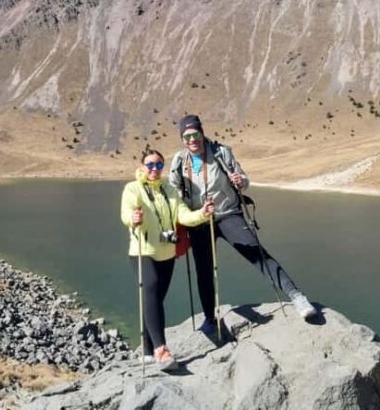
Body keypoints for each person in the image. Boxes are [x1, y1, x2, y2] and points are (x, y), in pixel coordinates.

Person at [169, 114, 317, 333]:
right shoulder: (180, 161)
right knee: (204, 271)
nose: (193, 140)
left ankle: (297, 297)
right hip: (199, 220)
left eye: (196, 134)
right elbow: (173, 191)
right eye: (187, 136)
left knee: (257, 254)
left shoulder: (220, 152)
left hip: (227, 213)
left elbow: (243, 179)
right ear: (182, 139)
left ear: (202, 132)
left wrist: (240, 181)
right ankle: (210, 318)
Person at [120, 148, 213, 371]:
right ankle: (161, 350)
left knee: (154, 299)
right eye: (150, 165)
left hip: (167, 253)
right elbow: (126, 213)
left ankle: (146, 349)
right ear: (142, 167)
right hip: (143, 251)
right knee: (151, 289)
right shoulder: (133, 189)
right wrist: (133, 218)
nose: (155, 169)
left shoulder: (169, 190)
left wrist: (202, 213)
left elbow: (183, 215)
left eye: (159, 165)